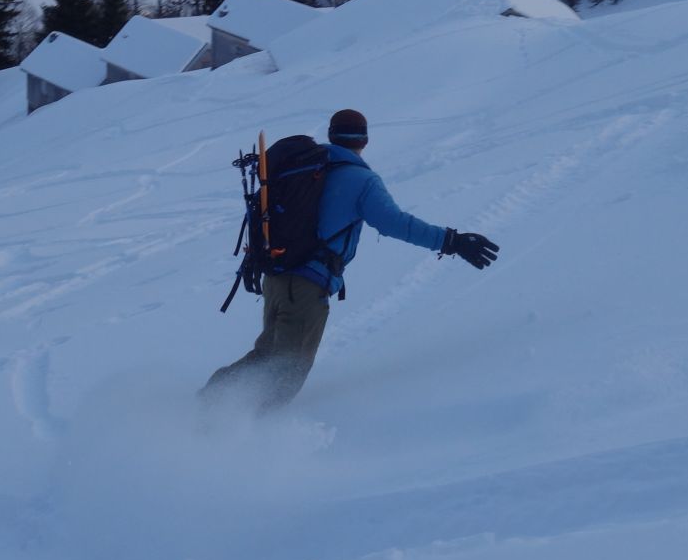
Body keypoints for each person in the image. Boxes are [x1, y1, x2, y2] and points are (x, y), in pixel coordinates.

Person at [200, 108, 499, 411]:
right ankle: (244, 428)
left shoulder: (305, 167)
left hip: (276, 276)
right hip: (306, 288)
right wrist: (452, 241)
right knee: (287, 372)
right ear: (364, 141)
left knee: (267, 357)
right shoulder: (361, 180)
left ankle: (209, 402)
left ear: (332, 135)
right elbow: (395, 223)